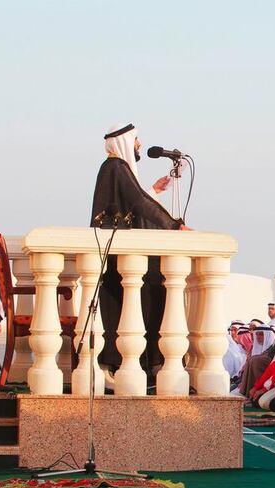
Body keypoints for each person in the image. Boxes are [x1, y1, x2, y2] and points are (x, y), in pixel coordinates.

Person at [92, 123, 187, 375]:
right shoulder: (116, 167)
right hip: (119, 258)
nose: (139, 146)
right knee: (147, 290)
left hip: (121, 256)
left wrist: (154, 191)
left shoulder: (114, 168)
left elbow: (132, 202)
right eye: (136, 141)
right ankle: (135, 363)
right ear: (124, 142)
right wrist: (174, 226)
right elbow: (136, 202)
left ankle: (142, 362)